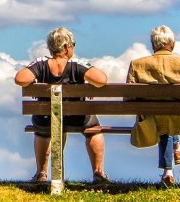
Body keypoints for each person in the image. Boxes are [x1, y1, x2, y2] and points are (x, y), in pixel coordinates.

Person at [14, 27, 110, 184]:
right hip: (76, 118)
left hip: (46, 119)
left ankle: (41, 173)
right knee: (94, 131)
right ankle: (98, 172)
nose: (73, 47)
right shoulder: (76, 65)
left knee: (42, 132)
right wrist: (87, 85)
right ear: (66, 47)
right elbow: (101, 80)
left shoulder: (41, 64)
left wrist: (34, 82)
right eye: (73, 44)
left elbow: (20, 78)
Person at [127, 25, 180, 186]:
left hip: (150, 120)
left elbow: (128, 98)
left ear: (153, 45)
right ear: (173, 44)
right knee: (169, 116)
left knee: (162, 117)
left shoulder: (137, 64)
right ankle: (175, 153)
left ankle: (169, 169)